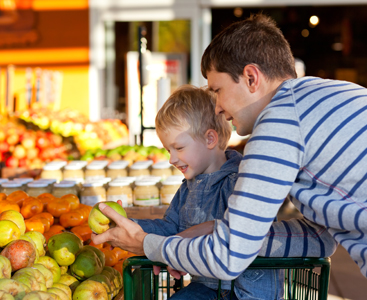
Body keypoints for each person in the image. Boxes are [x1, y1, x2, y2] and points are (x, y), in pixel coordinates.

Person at [93, 13, 355, 283]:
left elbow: (226, 259)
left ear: (251, 78)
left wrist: (148, 244)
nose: (217, 106)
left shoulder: (280, 121)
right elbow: (320, 239)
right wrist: (221, 230)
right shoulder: (333, 95)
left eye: (217, 90)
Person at [129, 85, 284, 299]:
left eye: (179, 148)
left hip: (245, 291)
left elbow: (241, 233)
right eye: (168, 150)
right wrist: (132, 227)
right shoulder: (188, 187)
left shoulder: (240, 182)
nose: (171, 158)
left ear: (210, 139)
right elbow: (170, 227)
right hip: (209, 285)